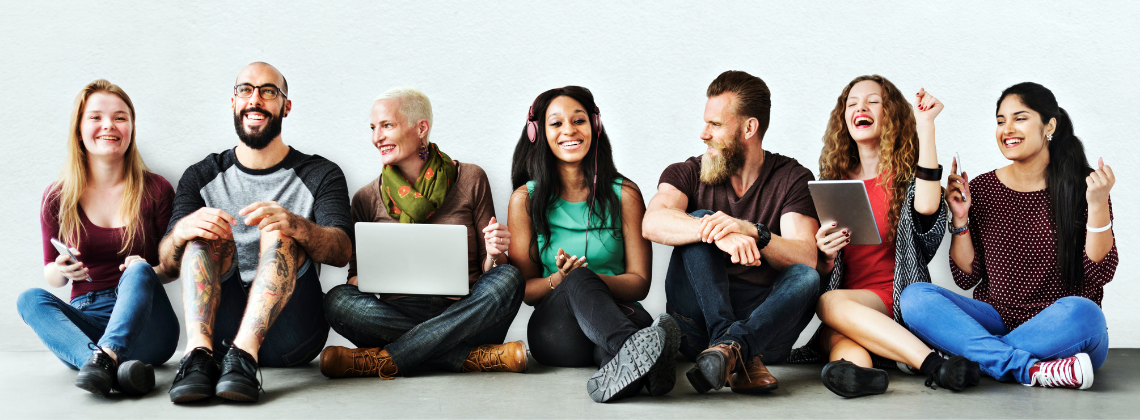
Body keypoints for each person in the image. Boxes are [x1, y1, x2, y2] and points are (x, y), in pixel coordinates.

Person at [901, 82, 1117, 390]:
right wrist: (960, 219)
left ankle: (971, 356)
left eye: (1020, 118)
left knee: (1086, 313)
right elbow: (966, 277)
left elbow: (1100, 272)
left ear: (1049, 126)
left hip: (1061, 329)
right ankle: (1030, 369)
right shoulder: (984, 188)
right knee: (914, 298)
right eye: (1001, 121)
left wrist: (1097, 205)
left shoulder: (1086, 185)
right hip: (997, 318)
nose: (1007, 129)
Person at [160, 62, 353, 403]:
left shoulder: (321, 173)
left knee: (281, 229)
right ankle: (197, 357)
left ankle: (245, 356)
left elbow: (342, 250)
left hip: (292, 334)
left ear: (285, 106)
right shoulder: (200, 175)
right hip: (219, 333)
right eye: (245, 90)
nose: (255, 99)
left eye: (268, 91)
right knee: (199, 232)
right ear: (233, 102)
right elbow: (167, 263)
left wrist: (296, 224)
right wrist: (180, 233)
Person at [786, 75, 979, 397]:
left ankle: (933, 366)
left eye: (872, 101)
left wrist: (926, 124)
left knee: (828, 303)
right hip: (847, 307)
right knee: (839, 340)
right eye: (852, 103)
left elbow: (928, 206)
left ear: (890, 115)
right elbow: (823, 267)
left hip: (892, 298)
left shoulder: (907, 180)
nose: (860, 108)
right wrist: (825, 252)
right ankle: (863, 376)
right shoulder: (833, 181)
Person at [319, 87, 527, 381]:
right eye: (373, 128)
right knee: (337, 300)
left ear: (421, 128)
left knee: (509, 278)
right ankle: (470, 358)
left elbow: (491, 270)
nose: (376, 137)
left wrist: (494, 254)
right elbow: (354, 279)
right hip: (396, 314)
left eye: (387, 125)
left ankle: (384, 359)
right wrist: (367, 275)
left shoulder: (471, 178)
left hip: (466, 310)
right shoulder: (365, 198)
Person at [642, 70, 821, 395]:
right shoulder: (688, 172)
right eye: (706, 123)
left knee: (807, 277)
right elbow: (652, 221)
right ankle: (734, 346)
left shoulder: (791, 178)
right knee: (700, 219)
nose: (703, 134)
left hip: (766, 329)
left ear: (749, 128)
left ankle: (730, 349)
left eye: (715, 124)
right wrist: (717, 231)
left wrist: (752, 231)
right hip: (696, 326)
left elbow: (806, 256)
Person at [507, 86, 678, 403]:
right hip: (557, 332)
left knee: (613, 350)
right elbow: (525, 290)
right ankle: (641, 351)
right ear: (538, 133)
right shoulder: (525, 199)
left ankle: (633, 364)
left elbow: (640, 283)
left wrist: (593, 282)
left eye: (579, 120)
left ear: (594, 126)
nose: (569, 130)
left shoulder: (625, 194)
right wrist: (564, 279)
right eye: (556, 123)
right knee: (578, 278)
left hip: (619, 314)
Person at [17, 79, 178, 398]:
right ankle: (109, 368)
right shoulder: (58, 197)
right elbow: (52, 276)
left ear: (131, 128)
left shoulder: (156, 189)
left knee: (138, 269)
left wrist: (145, 270)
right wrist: (61, 269)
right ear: (79, 130)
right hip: (87, 319)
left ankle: (100, 362)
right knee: (28, 299)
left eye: (120, 117)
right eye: (96, 117)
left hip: (147, 325)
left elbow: (172, 269)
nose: (109, 125)